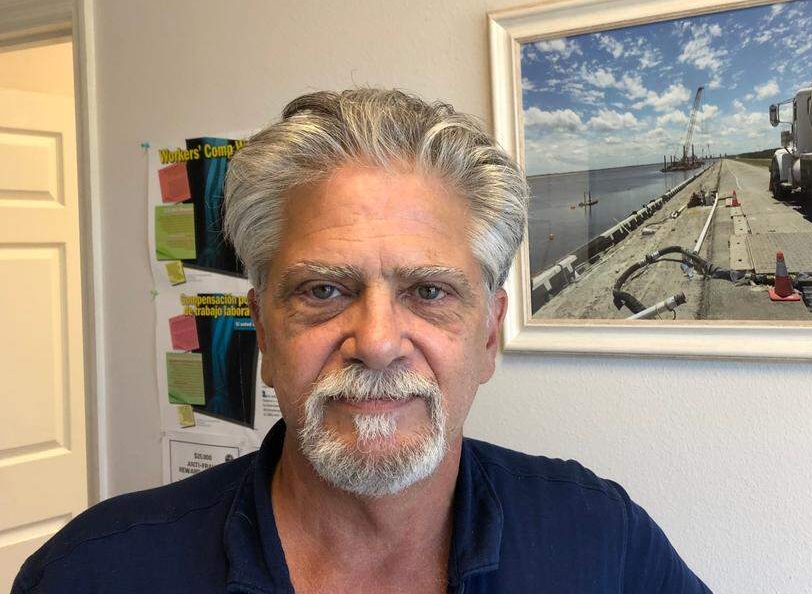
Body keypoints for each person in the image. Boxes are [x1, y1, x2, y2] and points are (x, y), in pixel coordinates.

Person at [13, 89, 711, 594]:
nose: (377, 343)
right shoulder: (95, 572)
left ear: (490, 334)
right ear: (263, 328)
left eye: (429, 291)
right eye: (323, 290)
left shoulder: (599, 539)